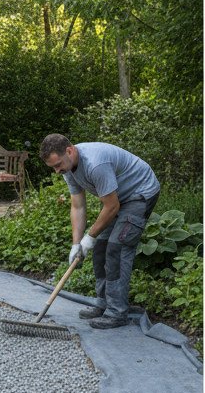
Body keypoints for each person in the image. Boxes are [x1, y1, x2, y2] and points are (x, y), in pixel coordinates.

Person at [39, 134, 162, 329]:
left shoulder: (95, 164)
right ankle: (104, 303)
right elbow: (78, 207)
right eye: (53, 167)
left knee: (117, 248)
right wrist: (76, 243)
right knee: (100, 249)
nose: (56, 171)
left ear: (69, 151)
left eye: (58, 165)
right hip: (117, 197)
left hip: (140, 193)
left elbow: (112, 206)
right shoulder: (68, 169)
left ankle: (117, 312)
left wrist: (90, 236)